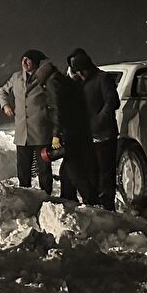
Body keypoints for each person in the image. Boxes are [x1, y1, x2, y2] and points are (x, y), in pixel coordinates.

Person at [35, 61, 99, 205]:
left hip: (69, 132)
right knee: (66, 169)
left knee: (74, 168)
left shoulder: (53, 83)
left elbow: (58, 109)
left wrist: (56, 134)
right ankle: (68, 197)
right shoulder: (64, 80)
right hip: (80, 131)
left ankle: (91, 200)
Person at [0, 49, 54, 194]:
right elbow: (2, 91)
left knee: (44, 170)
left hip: (41, 132)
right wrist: (5, 105)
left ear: (35, 62)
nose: (24, 63)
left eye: (28, 60)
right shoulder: (16, 77)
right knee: (23, 170)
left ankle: (46, 198)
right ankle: (25, 197)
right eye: (23, 59)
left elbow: (55, 100)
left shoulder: (44, 78)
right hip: (23, 133)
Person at [70, 51, 121, 210]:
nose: (79, 73)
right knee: (90, 172)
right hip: (86, 137)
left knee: (106, 174)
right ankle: (94, 204)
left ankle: (108, 206)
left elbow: (112, 102)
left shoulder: (102, 78)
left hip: (104, 135)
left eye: (80, 70)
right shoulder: (80, 82)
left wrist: (99, 121)